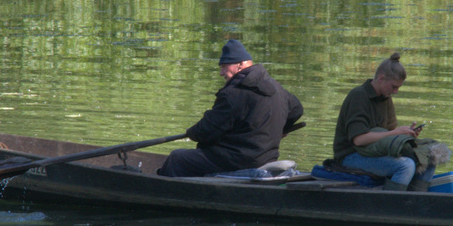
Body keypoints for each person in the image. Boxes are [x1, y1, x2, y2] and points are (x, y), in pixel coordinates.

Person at [156, 40, 304, 177]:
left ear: (239, 65)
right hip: (266, 157)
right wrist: (281, 129)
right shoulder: (277, 88)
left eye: (224, 67)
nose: (221, 73)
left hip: (235, 161)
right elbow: (297, 109)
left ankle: (162, 190)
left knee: (177, 158)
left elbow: (206, 131)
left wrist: (191, 133)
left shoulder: (234, 93)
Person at [331, 51, 431, 190]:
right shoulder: (358, 96)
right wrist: (395, 133)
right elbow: (359, 140)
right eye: (394, 87)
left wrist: (405, 134)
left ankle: (414, 200)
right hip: (351, 155)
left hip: (375, 151)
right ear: (381, 79)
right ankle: (390, 206)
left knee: (429, 156)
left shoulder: (386, 98)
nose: (396, 92)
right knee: (405, 166)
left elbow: (388, 134)